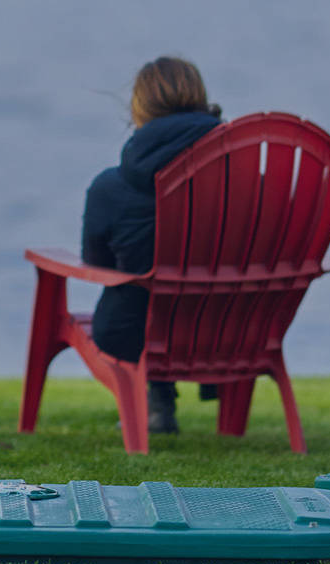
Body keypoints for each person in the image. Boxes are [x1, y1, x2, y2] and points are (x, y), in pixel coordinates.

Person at [81, 56, 223, 434]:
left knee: (145, 297)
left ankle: (156, 402)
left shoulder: (110, 187)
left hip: (134, 329)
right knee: (175, 297)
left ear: (139, 108)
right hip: (227, 327)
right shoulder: (242, 179)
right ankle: (161, 402)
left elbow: (97, 264)